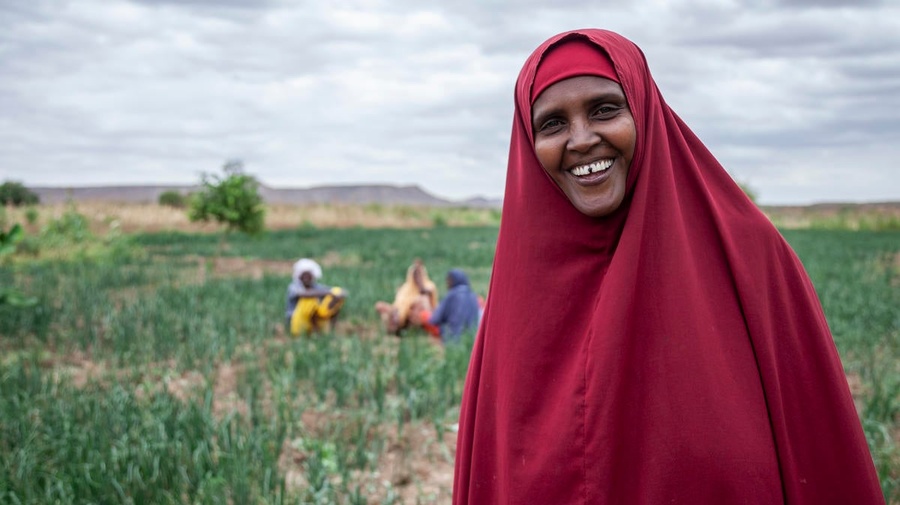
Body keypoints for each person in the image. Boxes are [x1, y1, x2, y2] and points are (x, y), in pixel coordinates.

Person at [452, 29, 885, 504]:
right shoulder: (517, 293)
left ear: (644, 110)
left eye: (604, 109)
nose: (582, 139)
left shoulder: (748, 254)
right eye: (552, 123)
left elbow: (819, 451)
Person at [374, 259, 439, 335]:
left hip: (417, 316)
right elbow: (398, 304)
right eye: (415, 275)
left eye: (419, 275)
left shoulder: (429, 286)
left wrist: (421, 287)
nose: (417, 278)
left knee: (422, 301)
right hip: (400, 314)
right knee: (380, 306)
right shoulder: (406, 287)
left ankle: (410, 329)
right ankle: (395, 325)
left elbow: (431, 306)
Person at [284, 258, 346, 336]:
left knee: (336, 292)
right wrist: (328, 292)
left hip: (312, 319)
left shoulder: (315, 286)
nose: (306, 278)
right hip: (296, 322)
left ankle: (328, 329)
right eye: (304, 275)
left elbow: (337, 291)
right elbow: (304, 294)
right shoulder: (294, 287)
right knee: (309, 300)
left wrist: (337, 295)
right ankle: (308, 331)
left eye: (309, 275)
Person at [418, 269, 481, 345]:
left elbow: (435, 319)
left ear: (454, 281)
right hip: (472, 338)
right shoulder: (473, 296)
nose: (447, 285)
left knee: (424, 316)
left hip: (453, 337)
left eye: (449, 281)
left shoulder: (452, 295)